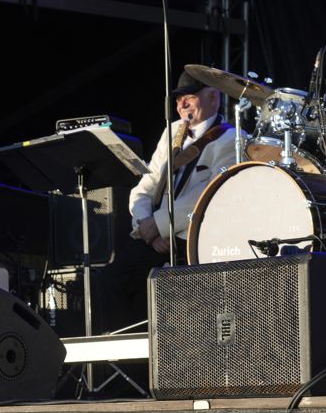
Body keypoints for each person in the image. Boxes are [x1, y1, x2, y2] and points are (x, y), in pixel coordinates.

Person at [99, 70, 239, 332]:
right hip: (154, 233)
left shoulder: (231, 140)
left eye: (189, 98)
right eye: (178, 100)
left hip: (192, 236)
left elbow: (210, 195)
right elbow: (147, 183)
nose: (181, 105)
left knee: (188, 306)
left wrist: (161, 225)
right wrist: (145, 225)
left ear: (212, 98)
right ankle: (132, 367)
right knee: (109, 281)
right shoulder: (173, 131)